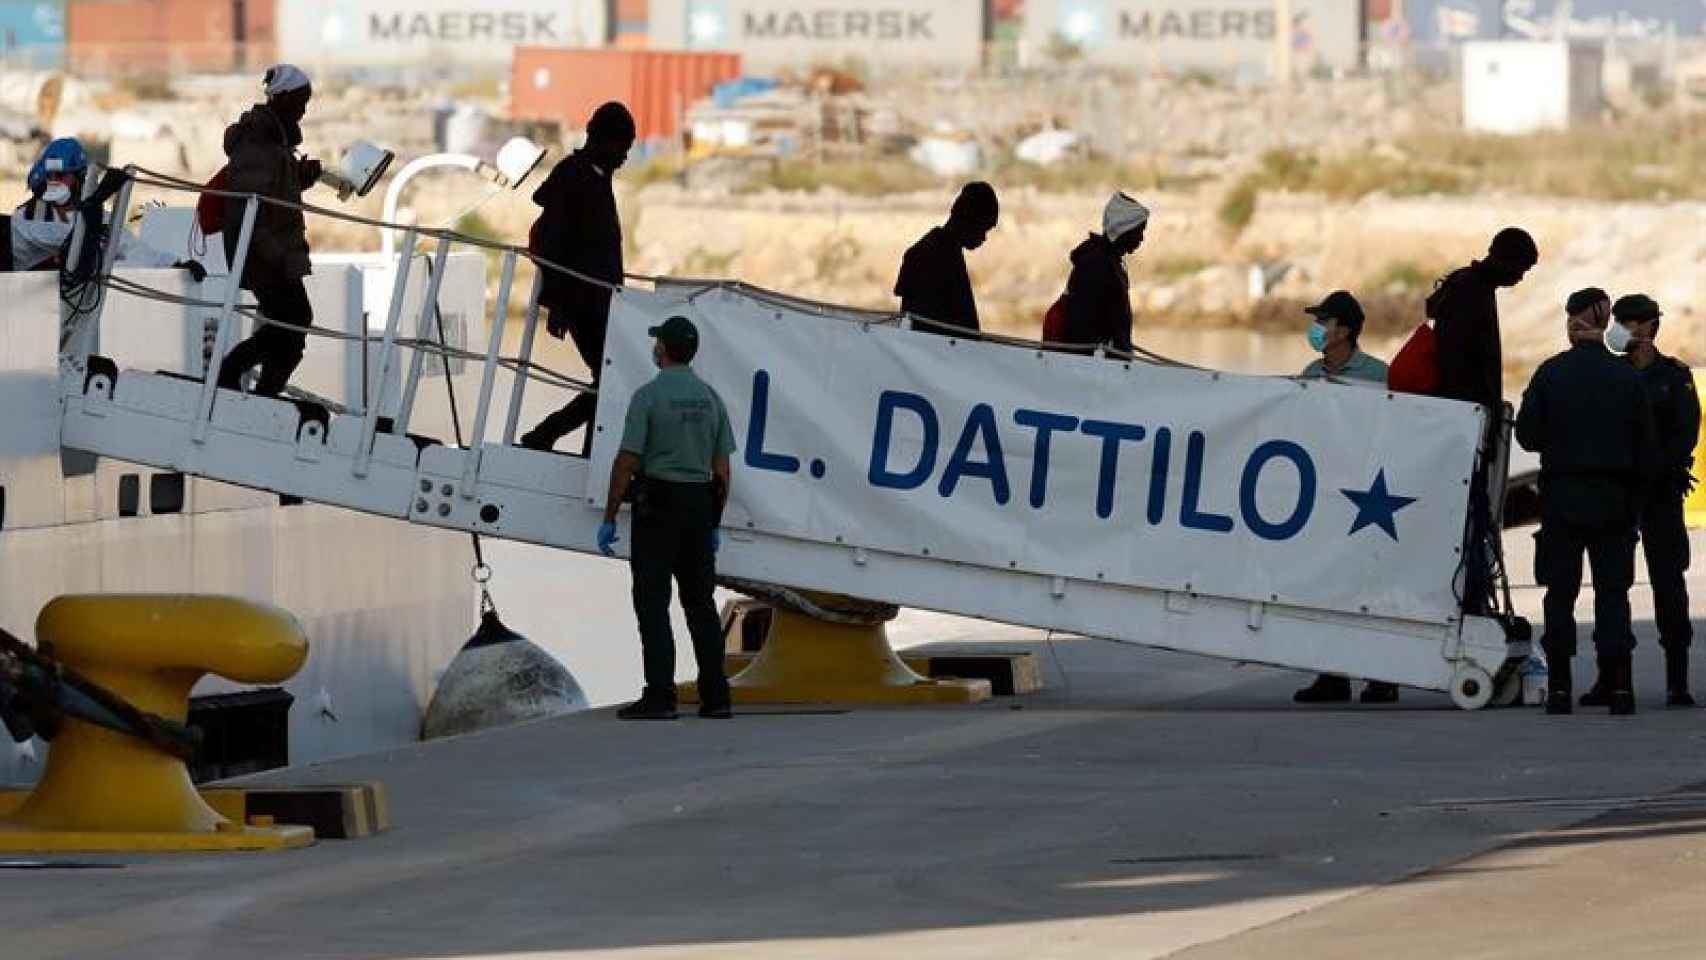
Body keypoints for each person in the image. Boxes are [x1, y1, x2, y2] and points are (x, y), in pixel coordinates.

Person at [1515, 288, 1656, 716]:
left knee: (1560, 595)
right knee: (1613, 595)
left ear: (1573, 321)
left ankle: (1559, 689)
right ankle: (1620, 689)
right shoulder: (1627, 377)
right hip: (1614, 500)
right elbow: (1647, 449)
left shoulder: (1551, 373)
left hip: (1563, 499)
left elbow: (1528, 436)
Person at [597, 315, 736, 721]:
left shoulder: (647, 397)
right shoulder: (712, 399)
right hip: (698, 507)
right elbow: (723, 472)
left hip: (657, 506)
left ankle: (661, 696)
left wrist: (609, 516)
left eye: (657, 341)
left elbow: (626, 462)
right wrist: (712, 524)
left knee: (653, 604)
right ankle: (717, 698)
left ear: (664, 350)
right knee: (700, 604)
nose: (654, 346)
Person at [1585, 294, 1697, 708]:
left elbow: (1686, 434)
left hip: (1662, 495)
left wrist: (1654, 468)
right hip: (1617, 494)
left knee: (1670, 584)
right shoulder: (1608, 374)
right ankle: (1608, 675)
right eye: (1623, 322)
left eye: (1637, 323)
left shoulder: (1674, 375)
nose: (1629, 330)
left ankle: (1677, 679)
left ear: (1652, 328)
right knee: (1610, 585)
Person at [1292, 290, 1398, 705]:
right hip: (1323, 494)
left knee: (1370, 587)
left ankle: (1382, 675)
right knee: (1327, 585)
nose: (1316, 328)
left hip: (1369, 496)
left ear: (1346, 330)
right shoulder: (1309, 374)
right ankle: (1332, 674)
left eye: (1324, 321)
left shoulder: (1378, 375)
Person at [1429, 226, 1539, 616]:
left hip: (1468, 425)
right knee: (1467, 521)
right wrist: (1475, 419)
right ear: (1504, 258)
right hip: (1463, 428)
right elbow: (1457, 366)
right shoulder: (1469, 291)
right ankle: (1468, 597)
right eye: (1521, 269)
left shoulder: (1472, 288)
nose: (1519, 278)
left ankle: (1472, 594)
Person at [519, 101, 636, 454]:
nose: (624, 157)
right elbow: (549, 243)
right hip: (583, 303)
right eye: (622, 148)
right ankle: (550, 435)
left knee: (612, 378)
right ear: (602, 141)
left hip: (598, 302)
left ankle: (581, 447)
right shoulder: (576, 177)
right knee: (614, 379)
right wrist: (557, 304)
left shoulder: (594, 178)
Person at [215, 64, 319, 398]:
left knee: (291, 323)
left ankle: (264, 392)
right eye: (301, 101)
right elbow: (251, 205)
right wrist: (278, 256)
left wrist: (302, 177)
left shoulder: (273, 138)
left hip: (272, 250)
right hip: (265, 253)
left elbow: (274, 191)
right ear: (284, 98)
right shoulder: (260, 139)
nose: (303, 109)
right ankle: (236, 372)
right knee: (295, 320)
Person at [5, 137, 203, 277]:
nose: (55, 181)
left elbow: (131, 248)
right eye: (50, 176)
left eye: (62, 176)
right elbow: (64, 238)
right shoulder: (27, 215)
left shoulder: (100, 219)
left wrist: (175, 264)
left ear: (79, 178)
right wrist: (96, 202)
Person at [894, 182, 999, 335]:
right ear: (969, 220)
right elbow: (925, 325)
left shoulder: (937, 250)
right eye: (983, 228)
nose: (984, 238)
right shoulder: (936, 255)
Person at [1059, 192, 1149, 353]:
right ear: (1124, 229)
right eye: (1139, 231)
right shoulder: (1097, 265)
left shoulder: (1108, 261)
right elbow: (1081, 328)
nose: (1141, 238)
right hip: (1091, 365)